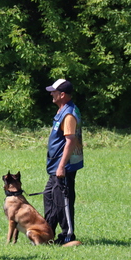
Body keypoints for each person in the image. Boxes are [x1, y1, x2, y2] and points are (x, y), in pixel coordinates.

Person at [43, 79, 83, 247]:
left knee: (63, 201)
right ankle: (47, 234)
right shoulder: (63, 110)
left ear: (62, 94)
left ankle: (68, 236)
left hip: (63, 166)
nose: (51, 94)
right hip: (56, 165)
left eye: (54, 91)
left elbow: (70, 141)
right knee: (49, 195)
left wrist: (61, 166)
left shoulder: (68, 114)